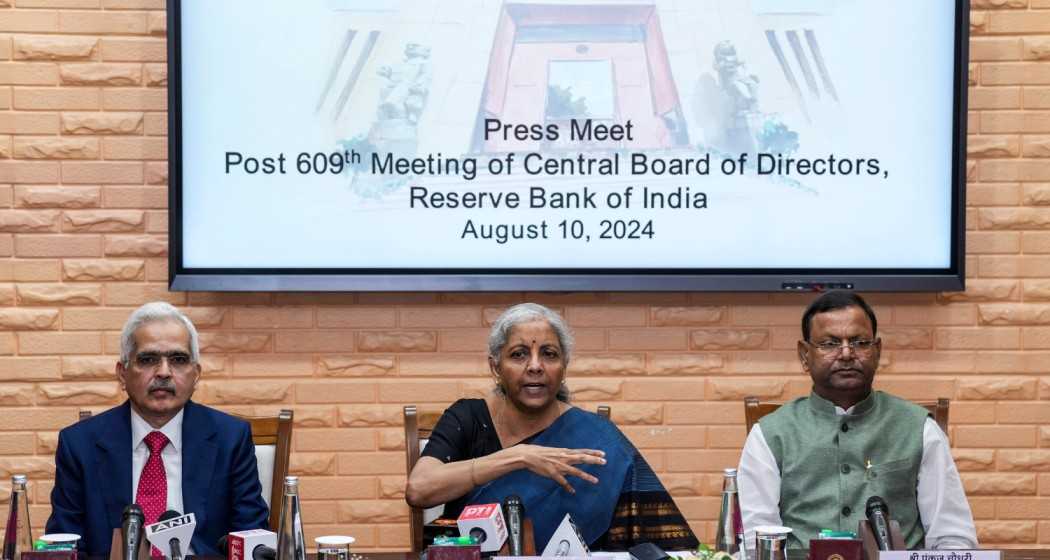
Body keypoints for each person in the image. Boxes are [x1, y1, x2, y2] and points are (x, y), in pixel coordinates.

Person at [406, 303, 698, 552]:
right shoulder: (468, 417)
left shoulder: (596, 437)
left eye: (549, 354)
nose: (535, 366)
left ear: (564, 365)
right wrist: (520, 457)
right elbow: (419, 490)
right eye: (519, 354)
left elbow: (645, 536)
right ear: (495, 366)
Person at [737, 291, 977, 550]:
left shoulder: (919, 429)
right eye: (829, 344)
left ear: (878, 350)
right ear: (804, 355)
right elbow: (756, 542)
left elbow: (953, 537)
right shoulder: (770, 435)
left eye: (860, 342)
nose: (847, 354)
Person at [46, 302, 269, 557]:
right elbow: (65, 545)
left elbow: (252, 537)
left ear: (196, 374)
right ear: (122, 373)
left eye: (178, 359)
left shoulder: (231, 439)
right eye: (148, 359)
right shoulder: (79, 445)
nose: (163, 372)